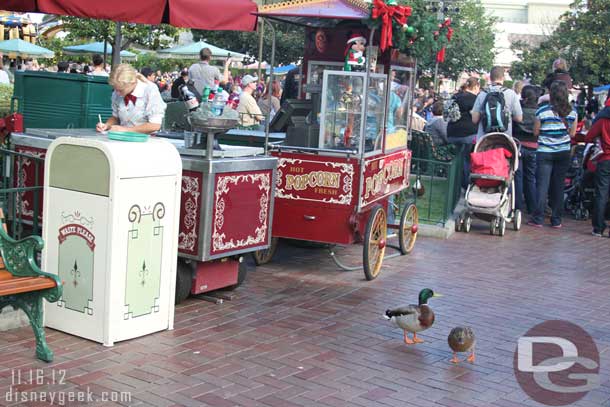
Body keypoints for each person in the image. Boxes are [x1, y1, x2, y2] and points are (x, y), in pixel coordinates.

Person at [528, 81, 577, 228]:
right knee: (558, 186)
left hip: (544, 152)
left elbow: (536, 132)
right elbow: (573, 133)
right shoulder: (572, 112)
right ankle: (556, 219)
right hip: (563, 152)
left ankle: (538, 218)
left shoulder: (542, 112)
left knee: (542, 185)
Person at [96, 64, 166, 134]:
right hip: (122, 138)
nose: (117, 93)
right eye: (115, 89)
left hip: (147, 139)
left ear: (132, 83)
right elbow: (115, 117)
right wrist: (107, 125)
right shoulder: (117, 92)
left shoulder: (150, 90)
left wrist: (126, 130)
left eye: (121, 90)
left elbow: (155, 125)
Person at [472, 66, 522, 139]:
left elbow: (474, 119)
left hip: (484, 140)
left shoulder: (482, 94)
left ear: (490, 78)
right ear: (503, 78)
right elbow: (519, 118)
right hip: (504, 140)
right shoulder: (511, 94)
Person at [447, 77, 480, 189]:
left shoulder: (455, 97)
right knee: (467, 160)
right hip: (469, 134)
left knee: (456, 159)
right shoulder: (476, 99)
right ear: (476, 87)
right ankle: (465, 185)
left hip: (452, 133)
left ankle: (453, 182)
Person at [584, 99, 610, 237]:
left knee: (601, 193)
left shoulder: (603, 117)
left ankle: (598, 228)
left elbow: (589, 136)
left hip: (605, 159)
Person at [513, 85, 540, 213]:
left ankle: (517, 206)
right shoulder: (539, 111)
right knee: (531, 177)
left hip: (518, 145)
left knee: (517, 177)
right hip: (534, 147)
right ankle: (532, 206)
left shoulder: (519, 108)